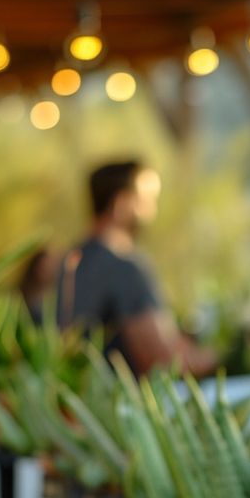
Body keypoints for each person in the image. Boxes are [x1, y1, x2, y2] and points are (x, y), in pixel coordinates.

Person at [55, 160, 217, 376]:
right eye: (147, 199)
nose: (154, 207)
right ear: (122, 203)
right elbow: (161, 360)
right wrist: (215, 357)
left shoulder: (67, 262)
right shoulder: (123, 267)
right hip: (119, 403)